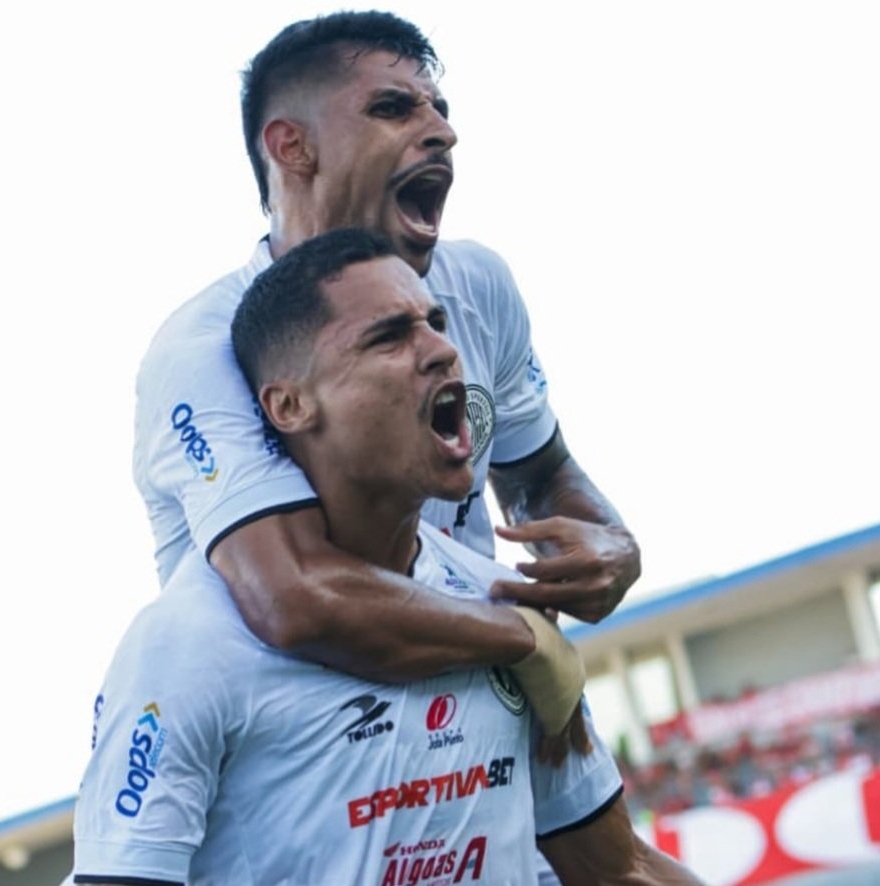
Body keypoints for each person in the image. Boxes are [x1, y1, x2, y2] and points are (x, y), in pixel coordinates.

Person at [74, 230, 697, 884]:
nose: (443, 351)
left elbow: (618, 871)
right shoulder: (187, 647)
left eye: (437, 323)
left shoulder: (502, 608)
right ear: (290, 405)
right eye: (389, 338)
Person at [135, 7, 638, 693]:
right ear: (292, 147)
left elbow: (539, 475)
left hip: (489, 704)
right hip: (304, 739)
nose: (443, 132)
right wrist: (532, 643)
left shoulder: (478, 284)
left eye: (440, 110)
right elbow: (297, 598)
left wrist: (607, 543)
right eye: (393, 108)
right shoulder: (205, 347)